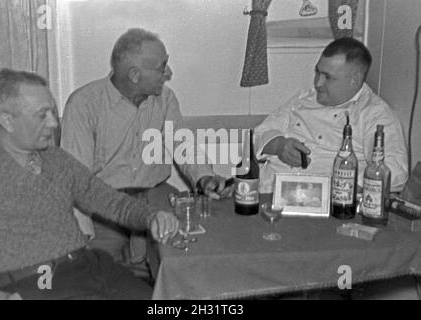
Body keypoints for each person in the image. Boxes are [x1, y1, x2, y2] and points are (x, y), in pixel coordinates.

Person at [0, 69, 179, 299]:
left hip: (92, 266)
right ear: (7, 121)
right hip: (41, 284)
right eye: (42, 115)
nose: (53, 123)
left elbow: (108, 200)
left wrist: (150, 216)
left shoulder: (55, 159)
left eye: (53, 111)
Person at [60, 28, 233, 272]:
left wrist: (204, 178)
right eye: (162, 67)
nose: (169, 73)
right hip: (104, 207)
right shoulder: (84, 104)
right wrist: (82, 237)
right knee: (99, 275)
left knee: (184, 263)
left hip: (156, 197)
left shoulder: (166, 99)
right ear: (134, 75)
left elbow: (183, 144)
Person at [254, 37, 408, 193]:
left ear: (354, 80)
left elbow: (394, 171)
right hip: (266, 193)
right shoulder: (305, 97)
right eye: (318, 73)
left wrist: (343, 188)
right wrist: (279, 145)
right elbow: (259, 134)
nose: (318, 83)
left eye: (328, 77)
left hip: (325, 206)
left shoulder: (374, 114)